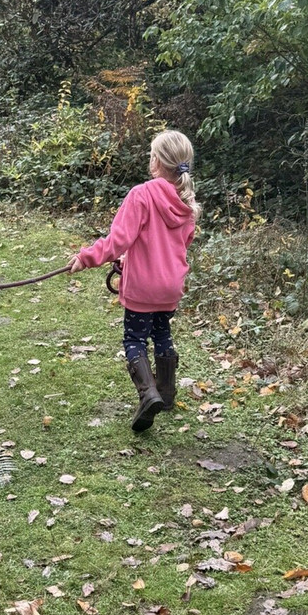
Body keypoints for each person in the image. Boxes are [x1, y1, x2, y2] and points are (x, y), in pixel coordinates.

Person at [68, 130, 201, 433]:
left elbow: (118, 240)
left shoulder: (141, 194)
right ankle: (166, 394)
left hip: (143, 287)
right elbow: (180, 244)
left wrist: (86, 257)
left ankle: (148, 394)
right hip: (170, 287)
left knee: (134, 339)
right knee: (162, 332)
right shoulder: (186, 201)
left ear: (156, 161)